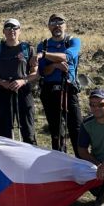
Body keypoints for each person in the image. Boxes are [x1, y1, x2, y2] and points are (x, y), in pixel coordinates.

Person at [37, 13, 82, 155]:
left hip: (68, 88)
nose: (57, 26)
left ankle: (82, 161)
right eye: (53, 23)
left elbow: (67, 56)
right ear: (49, 26)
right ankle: (60, 159)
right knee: (56, 130)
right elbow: (43, 71)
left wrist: (45, 55)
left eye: (60, 22)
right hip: (49, 90)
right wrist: (55, 65)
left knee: (76, 127)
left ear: (65, 25)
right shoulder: (43, 45)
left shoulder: (73, 41)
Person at [0, 19, 38, 143]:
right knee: (4, 132)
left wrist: (22, 81)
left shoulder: (28, 49)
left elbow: (35, 73)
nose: (12, 30)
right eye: (8, 28)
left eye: (15, 28)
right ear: (3, 31)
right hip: (3, 92)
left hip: (24, 92)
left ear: (20, 31)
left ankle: (30, 152)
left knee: (28, 131)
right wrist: (2, 82)